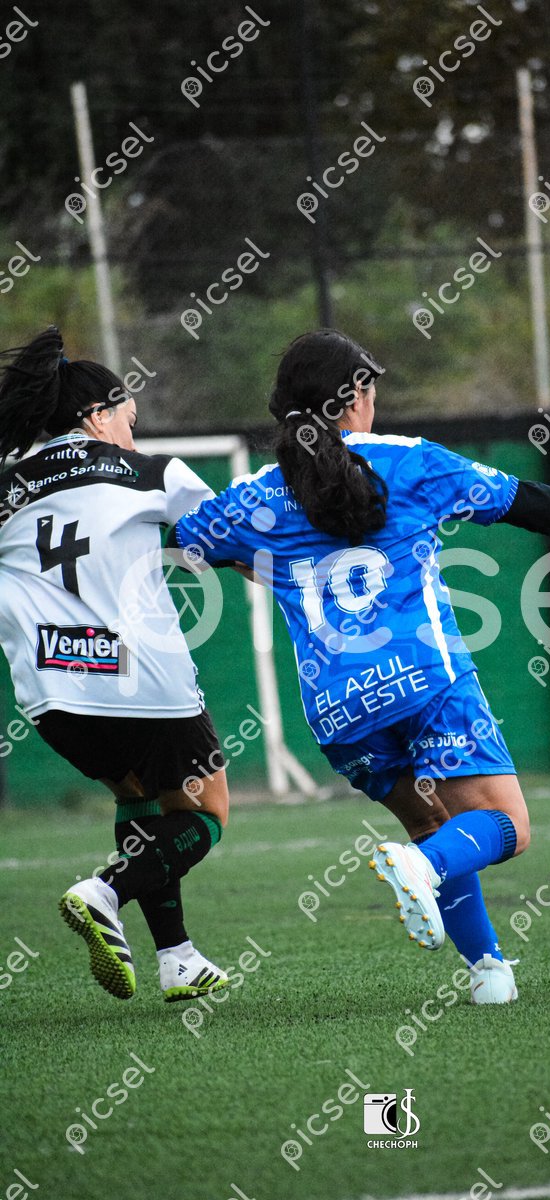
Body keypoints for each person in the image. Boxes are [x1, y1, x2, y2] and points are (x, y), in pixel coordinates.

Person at [171, 329, 550, 1004]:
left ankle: (489, 971)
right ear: (352, 399)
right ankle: (421, 868)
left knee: (432, 822)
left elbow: (185, 538)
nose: (374, 402)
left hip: (338, 710)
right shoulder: (411, 462)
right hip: (424, 682)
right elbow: (520, 501)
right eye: (369, 390)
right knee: (507, 826)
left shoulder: (256, 497)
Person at [0, 327, 230, 1002]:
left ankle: (178, 957)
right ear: (98, 416)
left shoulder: (6, 487)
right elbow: (227, 537)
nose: (133, 431)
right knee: (205, 813)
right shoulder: (152, 473)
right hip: (141, 680)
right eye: (130, 418)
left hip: (50, 693)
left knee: (139, 797)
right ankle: (105, 891)